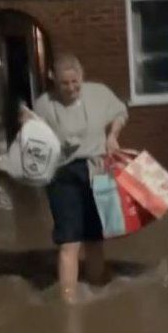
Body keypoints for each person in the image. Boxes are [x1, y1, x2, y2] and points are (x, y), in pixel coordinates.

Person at [22, 54, 129, 302]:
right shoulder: (43, 105)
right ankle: (68, 302)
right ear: (54, 80)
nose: (71, 88)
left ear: (82, 77)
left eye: (75, 82)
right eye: (64, 84)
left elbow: (120, 112)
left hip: (96, 169)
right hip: (62, 175)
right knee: (69, 241)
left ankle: (98, 286)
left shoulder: (99, 93)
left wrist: (113, 135)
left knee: (94, 237)